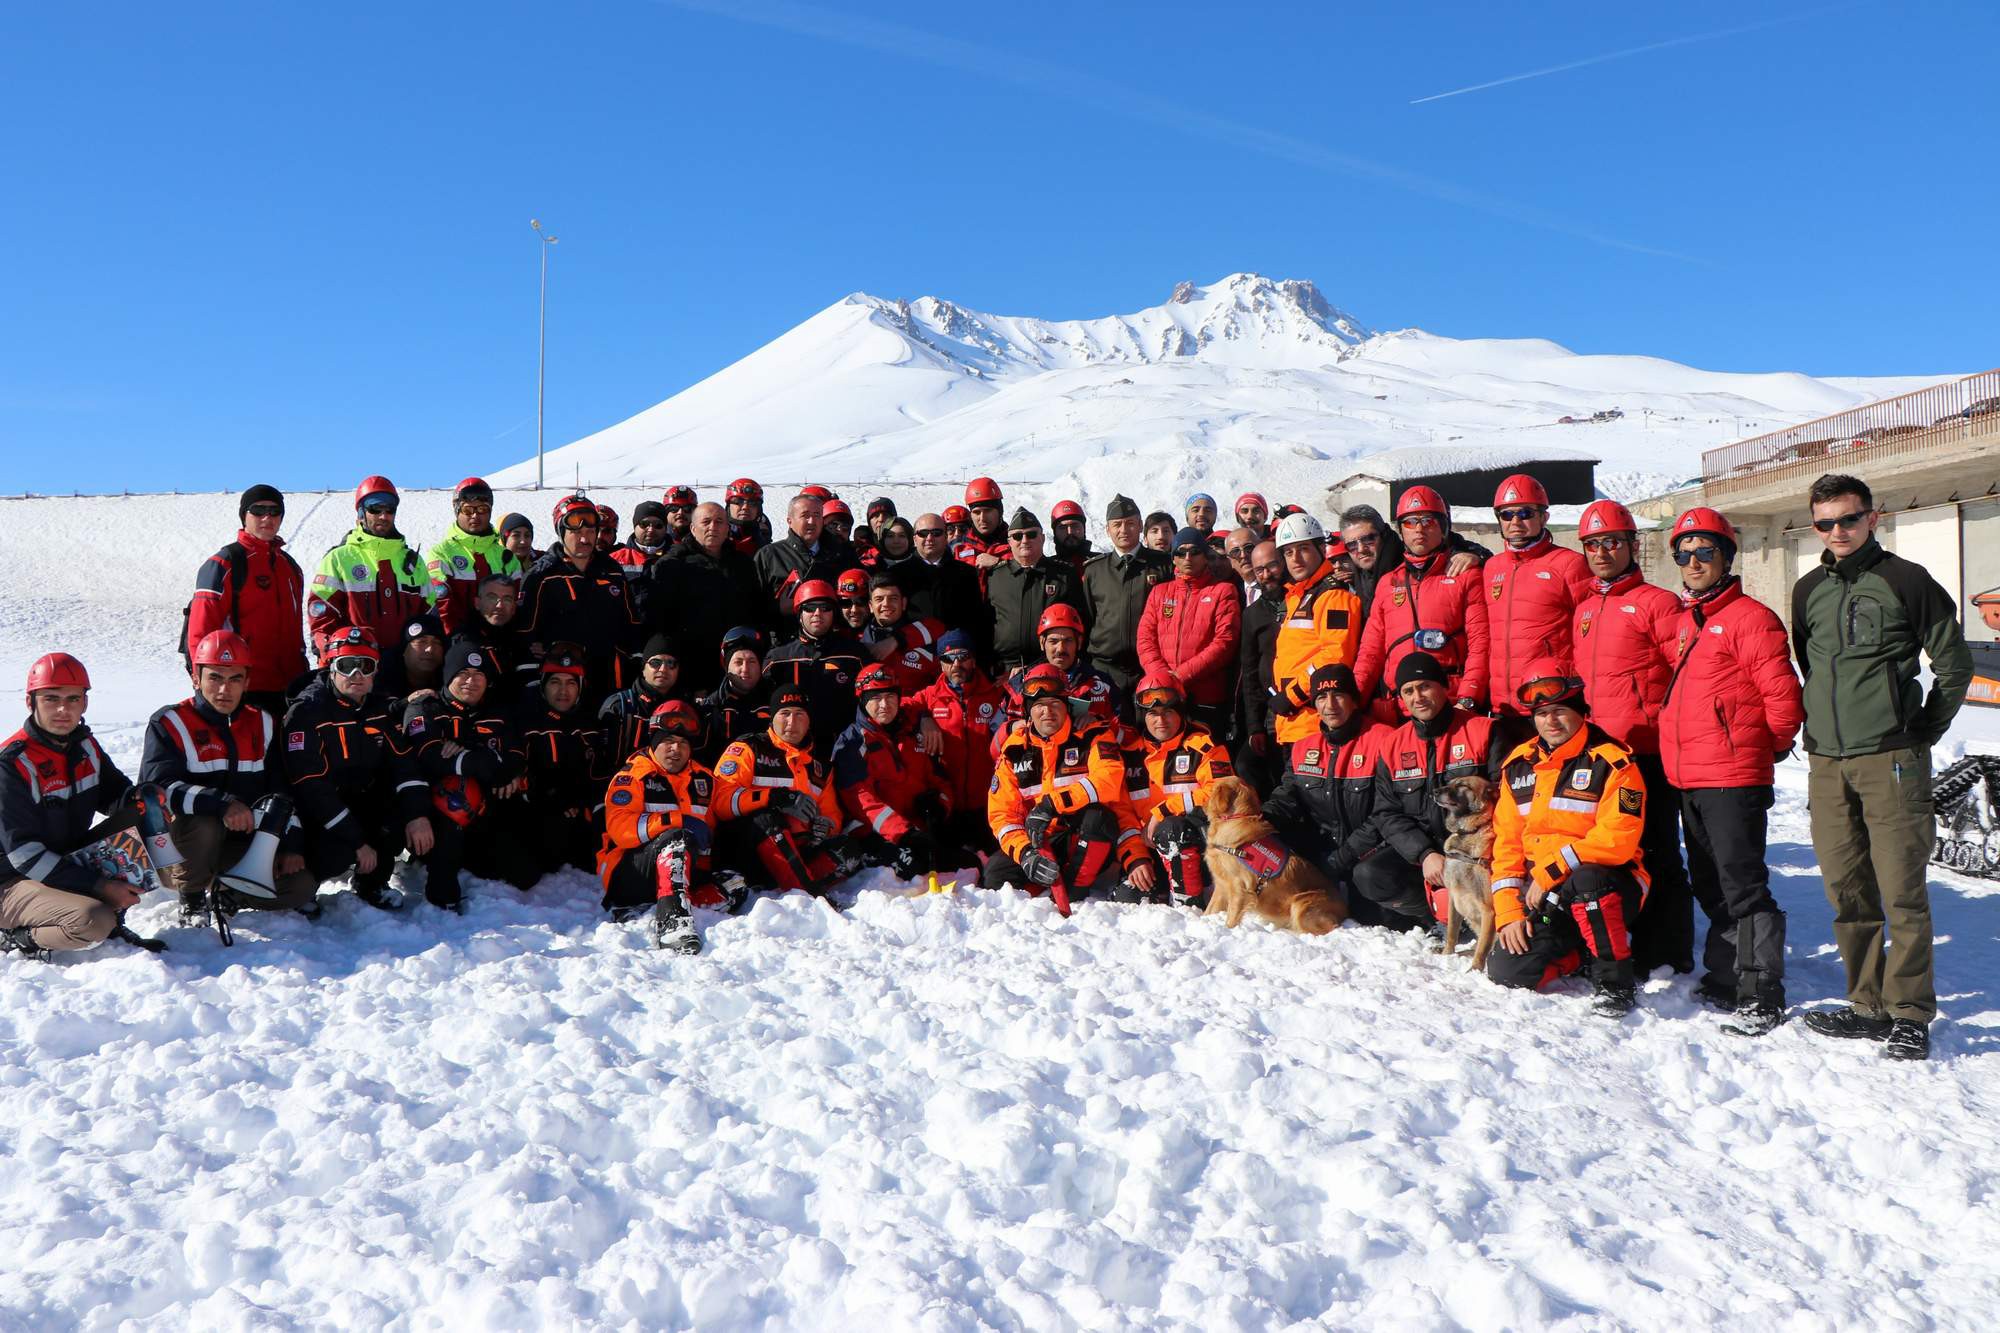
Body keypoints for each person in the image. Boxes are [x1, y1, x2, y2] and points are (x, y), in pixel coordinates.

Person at [1792, 474, 1972, 1061]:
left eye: (1848, 518)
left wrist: (1920, 733)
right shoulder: (1808, 589)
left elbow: (1954, 665)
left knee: (1902, 892)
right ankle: (1866, 1004)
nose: (1838, 531)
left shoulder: (1906, 580)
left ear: (1874, 517)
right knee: (1847, 890)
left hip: (1891, 759)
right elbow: (1811, 667)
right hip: (1826, 762)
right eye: (1825, 522)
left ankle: (1911, 1013)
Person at [1658, 506, 1804, 1035]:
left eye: (1704, 552)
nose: (1693, 562)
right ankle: (1726, 976)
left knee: (1743, 884)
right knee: (1709, 882)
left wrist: (1766, 750)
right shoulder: (1685, 620)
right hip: (1689, 774)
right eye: (1684, 554)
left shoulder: (1751, 618)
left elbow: (1783, 697)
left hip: (1733, 774)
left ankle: (1762, 990)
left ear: (1726, 557)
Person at [1486, 663, 1652, 1017]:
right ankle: (1579, 954)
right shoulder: (1517, 766)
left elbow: (1618, 839)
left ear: (1580, 712)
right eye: (1542, 713)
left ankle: (1614, 981)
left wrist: (1551, 870)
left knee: (1587, 879)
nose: (1551, 721)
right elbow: (1506, 846)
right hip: (1543, 894)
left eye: (1560, 711)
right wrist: (1510, 912)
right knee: (1507, 971)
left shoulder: (1614, 762)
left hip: (1609, 883)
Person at [1571, 499, 1691, 976]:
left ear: (1632, 545)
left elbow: (1684, 673)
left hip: (1646, 750)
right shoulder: (1584, 609)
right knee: (1616, 854)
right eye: (1593, 544)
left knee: (1660, 851)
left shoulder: (1658, 604)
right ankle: (1626, 941)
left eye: (1612, 542)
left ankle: (1670, 951)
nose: (1602, 552)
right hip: (1601, 755)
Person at [142, 631, 317, 927]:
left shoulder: (263, 722)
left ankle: (230, 893)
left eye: (235, 678)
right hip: (176, 851)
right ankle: (193, 898)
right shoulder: (169, 722)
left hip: (235, 845)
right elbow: (158, 791)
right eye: (215, 677)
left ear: (247, 682)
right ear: (196, 678)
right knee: (204, 820)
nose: (225, 689)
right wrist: (223, 804)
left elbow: (281, 790)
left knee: (300, 886)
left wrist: (291, 845)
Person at [1, 654, 161, 958]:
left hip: (61, 861)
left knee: (145, 813)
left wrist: (146, 801)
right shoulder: (12, 764)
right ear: (30, 702)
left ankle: (110, 914)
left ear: (84, 704)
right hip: (12, 879)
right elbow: (25, 856)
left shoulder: (85, 745)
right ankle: (16, 936)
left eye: (73, 699)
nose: (63, 709)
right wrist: (100, 885)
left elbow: (115, 795)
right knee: (92, 920)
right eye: (51, 698)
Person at [283, 627, 438, 911]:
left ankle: (372, 883)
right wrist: (356, 841)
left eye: (365, 666)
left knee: (394, 817)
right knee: (337, 850)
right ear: (331, 667)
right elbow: (311, 788)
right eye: (347, 665)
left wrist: (417, 815)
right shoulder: (307, 712)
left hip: (360, 795)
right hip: (317, 808)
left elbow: (404, 764)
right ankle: (307, 887)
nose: (357, 675)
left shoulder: (377, 708)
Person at [985, 665, 1156, 905]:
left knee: (1100, 818)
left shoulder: (1092, 734)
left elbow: (1109, 779)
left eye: (1055, 704)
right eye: (1039, 706)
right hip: (1042, 839)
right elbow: (1002, 815)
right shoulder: (1014, 748)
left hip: (1085, 835)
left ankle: (1074, 889)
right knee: (995, 875)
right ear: (1027, 711)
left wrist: (1052, 804)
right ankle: (1044, 877)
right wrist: (1025, 853)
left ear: (1067, 706)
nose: (1047, 712)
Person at [1367, 653, 1500, 931]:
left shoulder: (1483, 731)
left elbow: (1505, 797)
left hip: (1478, 847)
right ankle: (1434, 917)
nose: (1418, 697)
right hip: (1429, 850)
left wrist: (1475, 849)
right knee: (1370, 875)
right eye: (1408, 691)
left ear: (1444, 686)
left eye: (1425, 686)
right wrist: (1424, 853)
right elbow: (1386, 812)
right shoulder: (1392, 745)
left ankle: (1476, 913)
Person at [402, 640, 534, 909]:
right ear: (448, 676)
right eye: (463, 674)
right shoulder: (426, 707)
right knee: (456, 793)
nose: (471, 682)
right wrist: (483, 759)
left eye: (478, 675)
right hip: (435, 813)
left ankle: (471, 857)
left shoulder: (497, 711)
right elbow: (427, 755)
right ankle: (442, 893)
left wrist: (473, 756)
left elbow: (516, 754)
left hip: (489, 804)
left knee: (525, 875)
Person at [598, 699, 730, 953]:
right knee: (676, 837)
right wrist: (676, 820)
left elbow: (724, 810)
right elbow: (621, 830)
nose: (675, 749)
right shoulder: (631, 776)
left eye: (682, 743)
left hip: (683, 868)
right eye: (667, 742)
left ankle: (673, 902)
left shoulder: (704, 777)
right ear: (654, 743)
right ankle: (673, 925)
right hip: (628, 873)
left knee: (735, 883)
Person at [1353, 487, 1490, 721]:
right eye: (1410, 523)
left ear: (1443, 527)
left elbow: (1481, 644)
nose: (1418, 529)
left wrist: (1469, 698)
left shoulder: (1467, 575)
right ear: (1400, 530)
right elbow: (1370, 652)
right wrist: (1353, 700)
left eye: (1428, 521)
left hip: (1452, 704)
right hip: (1399, 707)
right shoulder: (1388, 583)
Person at [1262, 665, 1392, 911]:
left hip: (1366, 855)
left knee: (1368, 908)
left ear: (1354, 700)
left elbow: (1387, 814)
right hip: (1322, 855)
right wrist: (1258, 821)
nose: (1330, 704)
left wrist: (1342, 858)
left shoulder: (1384, 740)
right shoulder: (1303, 747)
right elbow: (1286, 798)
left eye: (1339, 695)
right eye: (1321, 697)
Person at [1483, 475, 1595, 752]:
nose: (1515, 522)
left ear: (1544, 517)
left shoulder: (1569, 564)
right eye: (1506, 515)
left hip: (1550, 704)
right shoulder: (1492, 568)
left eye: (1525, 513)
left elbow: (1589, 636)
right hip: (1503, 707)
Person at [712, 685, 858, 896]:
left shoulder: (820, 769)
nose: (792, 722)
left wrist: (827, 826)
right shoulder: (748, 748)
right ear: (771, 717)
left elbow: (831, 813)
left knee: (848, 848)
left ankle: (797, 883)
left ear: (809, 721)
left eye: (800, 714)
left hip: (796, 853)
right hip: (745, 853)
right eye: (785, 714)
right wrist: (773, 797)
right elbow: (720, 802)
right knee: (767, 817)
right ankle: (806, 893)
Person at [185, 483, 308, 716]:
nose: (267, 518)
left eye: (274, 512)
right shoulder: (224, 564)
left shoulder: (290, 567)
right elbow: (200, 634)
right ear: (244, 516)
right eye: (258, 510)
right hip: (243, 690)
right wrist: (203, 683)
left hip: (290, 688)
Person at [518, 494, 640, 703]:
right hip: (563, 684)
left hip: (609, 680)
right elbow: (524, 634)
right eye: (576, 532)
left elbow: (632, 624)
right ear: (561, 532)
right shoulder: (542, 576)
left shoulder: (612, 571)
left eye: (591, 531)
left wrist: (636, 665)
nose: (585, 539)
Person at [1129, 672, 1234, 909]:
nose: (1160, 720)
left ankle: (1190, 904)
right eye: (1153, 714)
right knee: (1128, 900)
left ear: (1181, 712)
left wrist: (1164, 810)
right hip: (1150, 851)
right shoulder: (1131, 754)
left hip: (1198, 849)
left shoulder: (1204, 746)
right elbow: (1123, 812)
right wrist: (1135, 857)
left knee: (1172, 827)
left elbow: (1224, 792)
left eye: (1168, 712)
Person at [832, 665, 943, 879]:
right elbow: (861, 801)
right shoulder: (852, 742)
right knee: (913, 869)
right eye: (875, 697)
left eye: (890, 696)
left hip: (917, 831)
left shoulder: (914, 732)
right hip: (873, 834)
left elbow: (940, 778)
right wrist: (904, 834)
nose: (884, 704)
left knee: (968, 863)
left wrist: (940, 805)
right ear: (862, 700)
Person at [308, 475, 436, 660]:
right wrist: (332, 652)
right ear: (361, 513)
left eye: (389, 509)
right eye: (375, 509)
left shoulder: (413, 562)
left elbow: (429, 616)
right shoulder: (339, 558)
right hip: (356, 666)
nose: (383, 516)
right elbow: (322, 613)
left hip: (404, 667)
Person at [506, 647, 607, 879]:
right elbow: (519, 770)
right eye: (555, 682)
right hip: (537, 808)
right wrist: (553, 799)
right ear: (543, 685)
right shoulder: (525, 720)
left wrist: (577, 800)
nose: (563, 691)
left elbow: (596, 772)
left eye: (571, 683)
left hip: (576, 808)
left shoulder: (590, 722)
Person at [1266, 514, 1365, 747]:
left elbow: (1335, 657)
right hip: (1294, 722)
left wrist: (1291, 697)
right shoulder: (1297, 596)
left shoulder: (1333, 595)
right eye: (1288, 552)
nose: (1295, 558)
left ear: (1321, 548)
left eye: (1303, 549)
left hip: (1316, 722)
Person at [909, 629, 1005, 868]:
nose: (956, 664)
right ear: (940, 664)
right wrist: (923, 717)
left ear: (973, 660)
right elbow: (900, 707)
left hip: (986, 804)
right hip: (949, 806)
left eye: (963, 657)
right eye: (948, 659)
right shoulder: (930, 697)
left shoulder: (995, 695)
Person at [1137, 527, 1242, 736]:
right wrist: (1164, 680)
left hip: (1205, 697)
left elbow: (1224, 643)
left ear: (1205, 556)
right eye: (1180, 552)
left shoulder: (1223, 591)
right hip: (1163, 698)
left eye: (1194, 551)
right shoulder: (1159, 592)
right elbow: (1145, 639)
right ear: (1173, 558)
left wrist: (1180, 676)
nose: (1188, 557)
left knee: (1207, 759)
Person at [651, 501, 761, 693]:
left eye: (719, 522)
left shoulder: (743, 564)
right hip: (689, 665)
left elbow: (755, 612)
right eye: (706, 521)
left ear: (728, 528)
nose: (713, 527)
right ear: (693, 528)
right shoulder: (673, 566)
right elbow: (661, 620)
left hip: (734, 665)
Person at [1081, 495, 1171, 702]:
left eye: (1130, 523)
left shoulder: (1163, 565)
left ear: (1140, 526)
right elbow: (1087, 618)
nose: (1123, 530)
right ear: (1108, 529)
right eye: (1117, 525)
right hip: (1104, 669)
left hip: (1149, 667)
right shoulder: (1095, 570)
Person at [763, 580, 868, 756]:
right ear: (799, 613)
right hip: (793, 751)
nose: (817, 613)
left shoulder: (855, 654)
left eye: (825, 608)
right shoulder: (778, 658)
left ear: (834, 613)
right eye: (810, 608)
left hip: (846, 748)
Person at [1339, 503, 1484, 616]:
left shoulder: (1409, 558)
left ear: (1384, 535)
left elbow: (1445, 541)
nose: (1360, 549)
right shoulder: (1351, 575)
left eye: (1368, 539)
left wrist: (1477, 555)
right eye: (1351, 544)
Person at [987, 509, 1087, 671]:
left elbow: (1081, 622)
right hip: (1005, 670)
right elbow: (985, 624)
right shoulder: (995, 576)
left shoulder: (1063, 574)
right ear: (1009, 542)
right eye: (1018, 536)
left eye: (1031, 534)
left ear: (1042, 538)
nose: (1025, 540)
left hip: (1052, 666)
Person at [425, 477, 521, 636]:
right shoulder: (442, 552)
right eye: (468, 510)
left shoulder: (506, 556)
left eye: (482, 509)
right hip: (460, 639)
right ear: (457, 510)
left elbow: (517, 601)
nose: (475, 516)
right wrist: (454, 637)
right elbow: (441, 602)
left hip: (503, 637)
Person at [1001, 605, 1119, 730]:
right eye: (1053, 641)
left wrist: (1099, 722)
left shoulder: (1102, 683)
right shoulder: (1020, 683)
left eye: (1068, 640)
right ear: (1042, 643)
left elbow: (1127, 733)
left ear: (1078, 642)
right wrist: (1012, 728)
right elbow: (995, 736)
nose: (1061, 649)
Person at [753, 493, 855, 633]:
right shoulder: (769, 555)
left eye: (817, 515)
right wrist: (778, 607)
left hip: (833, 643)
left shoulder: (842, 554)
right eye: (805, 515)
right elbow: (751, 605)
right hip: (783, 644)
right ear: (790, 520)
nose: (812, 521)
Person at [1233, 540, 1288, 795]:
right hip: (1269, 711)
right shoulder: (1253, 614)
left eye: (1272, 565)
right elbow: (1250, 672)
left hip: (1304, 705)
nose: (1266, 575)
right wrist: (1254, 726)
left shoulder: (1301, 600)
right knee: (1246, 765)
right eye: (1259, 570)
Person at [902, 512, 988, 655]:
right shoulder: (897, 574)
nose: (930, 538)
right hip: (912, 655)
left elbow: (977, 620)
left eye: (936, 533)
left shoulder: (966, 573)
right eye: (923, 533)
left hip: (956, 657)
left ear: (946, 537)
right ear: (914, 539)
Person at [599, 631, 689, 759]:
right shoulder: (619, 706)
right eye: (655, 663)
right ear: (643, 667)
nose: (663, 669)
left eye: (671, 663)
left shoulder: (686, 709)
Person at [453, 573, 535, 706]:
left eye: (507, 599)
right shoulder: (464, 641)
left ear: (514, 607)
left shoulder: (525, 638)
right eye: (492, 598)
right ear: (477, 603)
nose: (499, 605)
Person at [858, 574, 947, 693]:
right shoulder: (858, 642)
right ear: (870, 606)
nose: (886, 604)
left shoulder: (926, 636)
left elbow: (939, 628)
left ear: (903, 603)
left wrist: (897, 639)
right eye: (879, 599)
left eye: (893, 598)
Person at [697, 626, 772, 764]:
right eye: (738, 662)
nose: (745, 669)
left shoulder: (773, 705)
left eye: (752, 662)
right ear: (726, 666)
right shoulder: (709, 708)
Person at [609, 499, 672, 617]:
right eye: (644, 524)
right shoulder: (614, 560)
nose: (651, 529)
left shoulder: (681, 558)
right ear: (635, 526)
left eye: (658, 525)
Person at [376, 610, 447, 702]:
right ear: (404, 650)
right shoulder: (380, 681)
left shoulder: (451, 682)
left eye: (437, 642)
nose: (429, 649)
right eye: (421, 642)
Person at [955, 477, 1011, 573]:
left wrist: (1000, 564)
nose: (982, 518)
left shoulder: (1017, 543)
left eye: (988, 511)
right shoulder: (959, 548)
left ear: (1000, 512)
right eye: (976, 512)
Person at [724, 477, 772, 556]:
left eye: (752, 503)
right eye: (737, 501)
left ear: (759, 509)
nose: (745, 507)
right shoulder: (715, 535)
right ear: (728, 506)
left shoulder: (765, 536)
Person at [1050, 499, 1094, 572]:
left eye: (1075, 526)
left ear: (1084, 529)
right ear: (1055, 532)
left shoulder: (1103, 565)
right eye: (1063, 527)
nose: (1070, 532)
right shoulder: (1047, 569)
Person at [1221, 527, 1261, 598]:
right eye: (1235, 552)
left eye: (1249, 548)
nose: (1243, 555)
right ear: (1230, 560)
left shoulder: (1278, 586)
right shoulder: (1232, 594)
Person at [835, 567, 873, 636]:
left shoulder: (884, 633)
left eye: (861, 602)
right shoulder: (831, 634)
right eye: (846, 603)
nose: (854, 610)